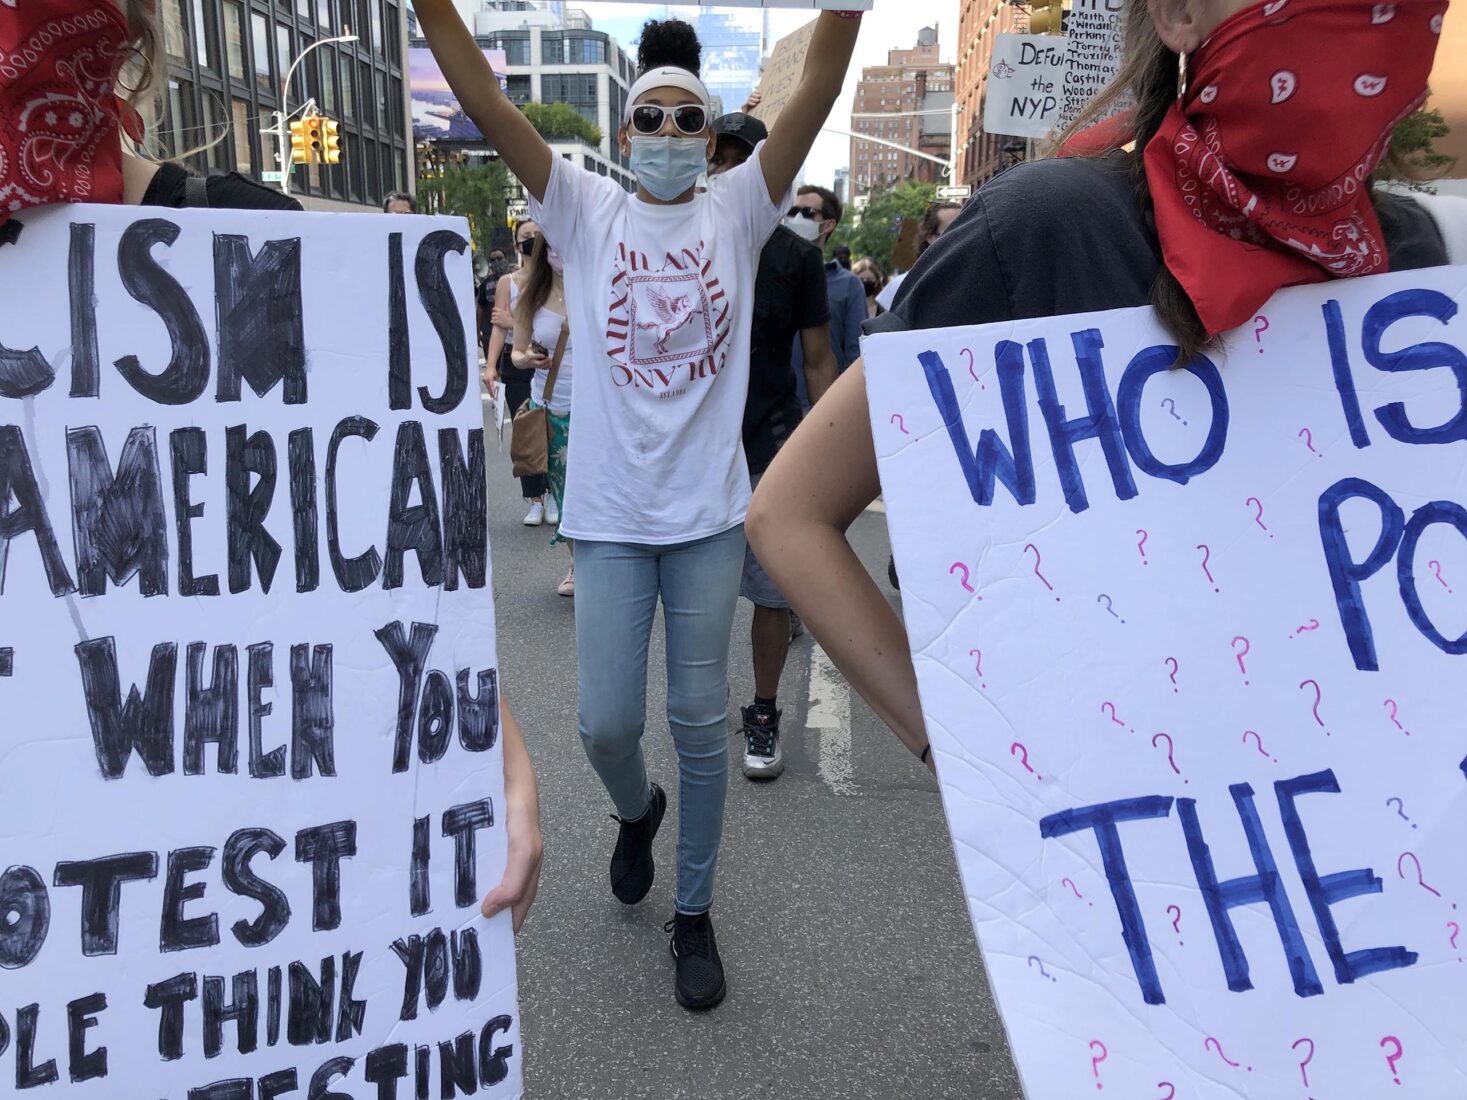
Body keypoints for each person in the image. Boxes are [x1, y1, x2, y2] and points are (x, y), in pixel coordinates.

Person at [747, 0, 1450, 774]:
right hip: (1124, 814)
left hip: (1359, 799)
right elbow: (791, 514)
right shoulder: (1041, 228)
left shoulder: (1413, 257)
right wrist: (971, 762)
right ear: (1178, 14)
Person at [415, 2, 862, 1010]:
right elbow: (483, 96)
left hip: (707, 518)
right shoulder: (584, 208)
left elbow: (823, 82)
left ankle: (692, 911)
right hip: (611, 518)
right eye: (650, 119)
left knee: (698, 719)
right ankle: (636, 808)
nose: (667, 134)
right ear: (625, 135)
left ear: (709, 139)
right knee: (605, 723)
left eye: (686, 121)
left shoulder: (739, 209)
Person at [708, 111, 838, 781]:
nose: (728, 171)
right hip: (696, 452)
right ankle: (700, 707)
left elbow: (817, 360)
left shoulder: (797, 257)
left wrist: (832, 452)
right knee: (700, 593)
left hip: (770, 441)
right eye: (720, 158)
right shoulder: (683, 242)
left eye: (744, 160)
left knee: (770, 591)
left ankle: (762, 710)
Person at [510, 232, 578, 597]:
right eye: (552, 246)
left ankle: (601, 564)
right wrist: (527, 360)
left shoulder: (597, 289)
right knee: (565, 493)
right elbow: (517, 352)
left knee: (594, 491)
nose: (559, 252)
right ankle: (577, 565)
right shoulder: (531, 298)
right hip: (551, 408)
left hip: (596, 411)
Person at [484, 219, 554, 526]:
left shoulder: (558, 278)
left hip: (548, 360)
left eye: (537, 235)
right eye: (526, 236)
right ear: (516, 245)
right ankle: (535, 499)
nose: (532, 240)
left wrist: (513, 322)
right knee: (526, 430)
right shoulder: (507, 283)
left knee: (552, 429)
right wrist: (490, 367)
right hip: (516, 363)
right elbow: (498, 327)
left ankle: (554, 494)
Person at [789, 184, 865, 407]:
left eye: (808, 213)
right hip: (774, 408)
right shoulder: (769, 273)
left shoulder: (849, 284)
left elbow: (856, 356)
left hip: (821, 407)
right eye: (792, 212)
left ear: (829, 224)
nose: (796, 219)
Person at [875, 200, 962, 312]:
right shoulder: (901, 286)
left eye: (967, 227)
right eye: (954, 229)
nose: (963, 235)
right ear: (931, 238)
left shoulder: (978, 281)